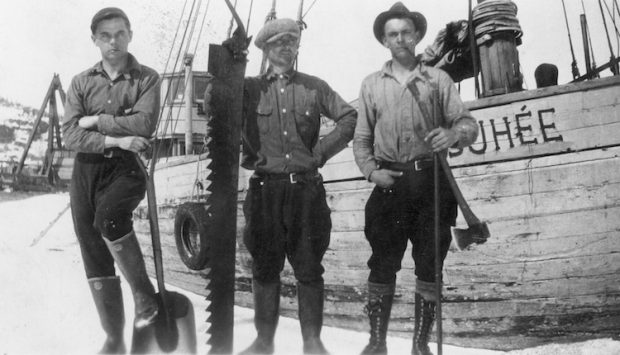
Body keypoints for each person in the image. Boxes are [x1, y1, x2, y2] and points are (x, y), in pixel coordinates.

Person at [353, 3, 479, 355]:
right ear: (384, 40)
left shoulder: (438, 80)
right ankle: (377, 342)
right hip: (390, 184)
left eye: (406, 33)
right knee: (382, 263)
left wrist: (454, 135)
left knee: (429, 264)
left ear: (417, 35)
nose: (400, 39)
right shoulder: (371, 85)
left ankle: (421, 345)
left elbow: (468, 124)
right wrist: (371, 171)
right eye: (393, 34)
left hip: (431, 186)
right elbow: (361, 139)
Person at [238, 18, 357, 355]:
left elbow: (349, 117)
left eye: (291, 42)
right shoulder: (248, 89)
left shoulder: (314, 87)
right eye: (278, 43)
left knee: (308, 266)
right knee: (264, 266)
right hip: (265, 192)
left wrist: (319, 153)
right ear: (265, 49)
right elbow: (217, 100)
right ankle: (263, 342)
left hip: (306, 192)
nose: (286, 48)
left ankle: (312, 342)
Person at [62, 7, 160, 354]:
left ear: (130, 34)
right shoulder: (80, 82)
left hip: (127, 167)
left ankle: (146, 299)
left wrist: (95, 121)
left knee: (109, 218)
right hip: (86, 170)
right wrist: (115, 136)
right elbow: (70, 136)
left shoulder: (147, 78)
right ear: (95, 40)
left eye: (120, 33)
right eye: (105, 35)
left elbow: (144, 125)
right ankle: (114, 338)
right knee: (91, 245)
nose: (113, 41)